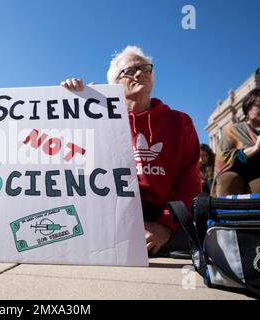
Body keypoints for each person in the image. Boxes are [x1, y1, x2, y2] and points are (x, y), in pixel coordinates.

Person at [61, 46, 201, 256]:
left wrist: (165, 225)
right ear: (114, 84)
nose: (140, 73)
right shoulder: (96, 117)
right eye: (130, 70)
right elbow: (63, 156)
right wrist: (73, 104)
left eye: (145, 68)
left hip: (158, 215)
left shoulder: (180, 122)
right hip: (104, 212)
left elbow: (190, 183)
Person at [214, 89, 260, 196]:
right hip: (235, 174)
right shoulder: (232, 130)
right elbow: (223, 157)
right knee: (228, 179)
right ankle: (226, 211)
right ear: (247, 107)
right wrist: (256, 148)